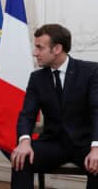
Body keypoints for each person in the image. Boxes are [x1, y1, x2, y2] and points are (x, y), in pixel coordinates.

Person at [11, 24, 98, 189]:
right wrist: (24, 141)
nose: (34, 52)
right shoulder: (37, 78)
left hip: (84, 144)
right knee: (20, 159)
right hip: (53, 144)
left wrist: (96, 147)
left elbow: (97, 111)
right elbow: (27, 115)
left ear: (57, 48)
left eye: (39, 47)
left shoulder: (90, 71)